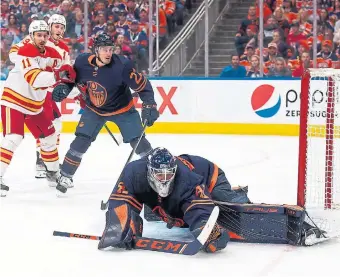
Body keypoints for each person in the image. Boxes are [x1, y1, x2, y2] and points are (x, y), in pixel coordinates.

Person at [97, 148, 328, 253]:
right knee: (159, 212)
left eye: (169, 174)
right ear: (149, 172)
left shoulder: (186, 181)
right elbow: (121, 199)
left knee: (226, 206)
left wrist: (205, 230)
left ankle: (237, 194)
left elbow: (201, 210)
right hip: (182, 190)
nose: (165, 178)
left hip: (209, 179)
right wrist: (121, 228)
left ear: (175, 171)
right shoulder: (133, 173)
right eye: (160, 175)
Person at [52, 33, 159, 195]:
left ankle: (156, 174)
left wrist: (149, 104)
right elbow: (72, 79)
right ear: (96, 50)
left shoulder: (122, 65)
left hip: (123, 110)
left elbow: (142, 85)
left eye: (110, 49)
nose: (108, 53)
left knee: (138, 142)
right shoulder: (82, 62)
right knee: (81, 140)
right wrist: (65, 88)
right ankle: (65, 175)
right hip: (95, 110)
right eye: (104, 49)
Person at [0, 20, 75, 196]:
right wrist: (58, 74)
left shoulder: (54, 54)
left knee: (49, 137)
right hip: (14, 101)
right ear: (31, 36)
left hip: (35, 106)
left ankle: (53, 172)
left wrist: (77, 92)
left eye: (44, 35)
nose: (42, 38)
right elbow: (35, 78)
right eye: (38, 35)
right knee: (13, 138)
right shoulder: (25, 52)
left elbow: (65, 77)